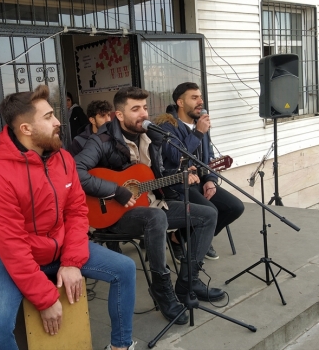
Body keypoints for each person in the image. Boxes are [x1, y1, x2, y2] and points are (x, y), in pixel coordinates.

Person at [0, 85, 137, 350]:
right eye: (49, 116)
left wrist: (72, 260)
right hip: (10, 258)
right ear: (26, 129)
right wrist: (45, 298)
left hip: (60, 247)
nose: (58, 121)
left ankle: (121, 346)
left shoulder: (63, 159)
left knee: (125, 269)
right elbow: (12, 247)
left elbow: (76, 212)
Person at [74, 86, 226, 326]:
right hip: (114, 215)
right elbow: (75, 173)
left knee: (207, 214)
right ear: (119, 115)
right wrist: (116, 190)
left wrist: (181, 175)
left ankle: (188, 282)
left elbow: (159, 172)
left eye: (144, 107)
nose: (143, 114)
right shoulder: (101, 140)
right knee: (156, 218)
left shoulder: (153, 136)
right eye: (135, 109)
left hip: (153, 204)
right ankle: (161, 287)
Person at [155, 82, 245, 261]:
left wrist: (211, 180)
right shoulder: (168, 126)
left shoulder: (201, 125)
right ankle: (185, 239)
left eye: (200, 97)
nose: (200, 102)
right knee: (210, 211)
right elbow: (174, 156)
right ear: (180, 102)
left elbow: (209, 156)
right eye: (194, 98)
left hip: (201, 181)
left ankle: (191, 237)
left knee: (235, 207)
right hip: (178, 183)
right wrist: (197, 134)